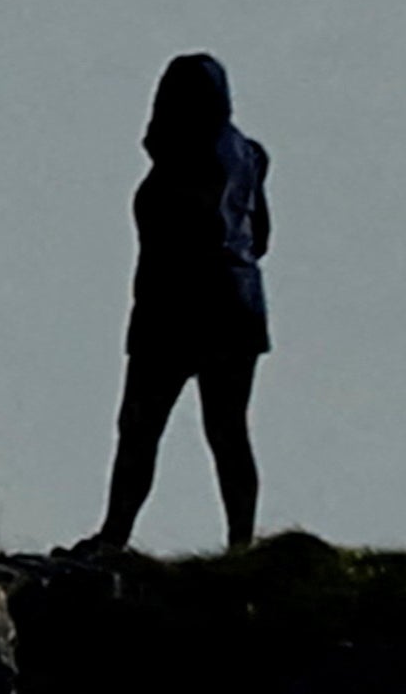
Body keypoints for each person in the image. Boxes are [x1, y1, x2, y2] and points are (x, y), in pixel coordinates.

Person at [88, 52, 270, 557]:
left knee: (140, 428)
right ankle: (240, 546)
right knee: (227, 429)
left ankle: (113, 537)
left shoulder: (182, 150)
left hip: (176, 306)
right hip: (237, 303)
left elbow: (190, 221)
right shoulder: (249, 155)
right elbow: (260, 237)